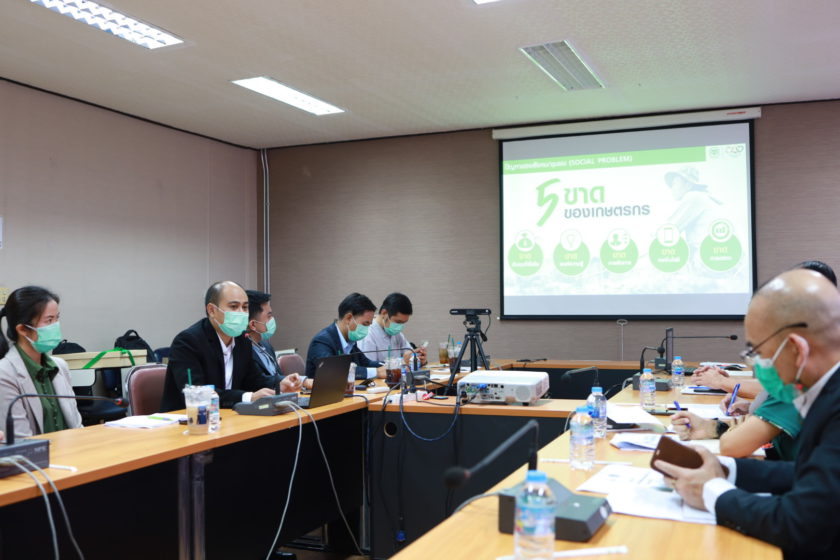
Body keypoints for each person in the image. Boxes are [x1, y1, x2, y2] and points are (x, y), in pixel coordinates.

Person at [656, 269, 840, 558]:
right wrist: (725, 470)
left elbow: (801, 522)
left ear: (796, 349)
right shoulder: (825, 390)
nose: (756, 366)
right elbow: (809, 474)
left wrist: (711, 492)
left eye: (758, 353)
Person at [159, 281, 299, 411]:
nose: (241, 313)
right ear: (212, 310)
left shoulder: (242, 340)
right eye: (234, 307)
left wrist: (279, 383)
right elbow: (197, 393)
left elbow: (254, 379)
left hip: (229, 417)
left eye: (245, 307)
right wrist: (248, 397)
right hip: (188, 420)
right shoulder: (188, 342)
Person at [0, 286, 82, 438]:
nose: (56, 325)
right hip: (37, 453)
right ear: (23, 329)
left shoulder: (60, 366)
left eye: (57, 318)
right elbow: (21, 440)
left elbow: (76, 425)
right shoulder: (4, 374)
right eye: (49, 320)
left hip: (72, 449)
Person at [304, 293, 385, 381]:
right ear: (349, 318)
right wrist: (376, 372)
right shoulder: (322, 341)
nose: (367, 329)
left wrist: (390, 366)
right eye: (365, 324)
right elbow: (335, 371)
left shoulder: (350, 341)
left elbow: (367, 363)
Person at [245, 289, 303, 390]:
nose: (272, 320)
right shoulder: (242, 351)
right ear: (253, 324)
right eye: (269, 316)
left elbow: (278, 377)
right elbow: (260, 383)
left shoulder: (266, 345)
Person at [358, 292, 427, 367]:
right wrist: (402, 362)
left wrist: (419, 360)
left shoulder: (397, 334)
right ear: (384, 313)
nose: (399, 327)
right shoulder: (368, 334)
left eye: (403, 323)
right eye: (398, 322)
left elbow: (409, 355)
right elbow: (369, 367)